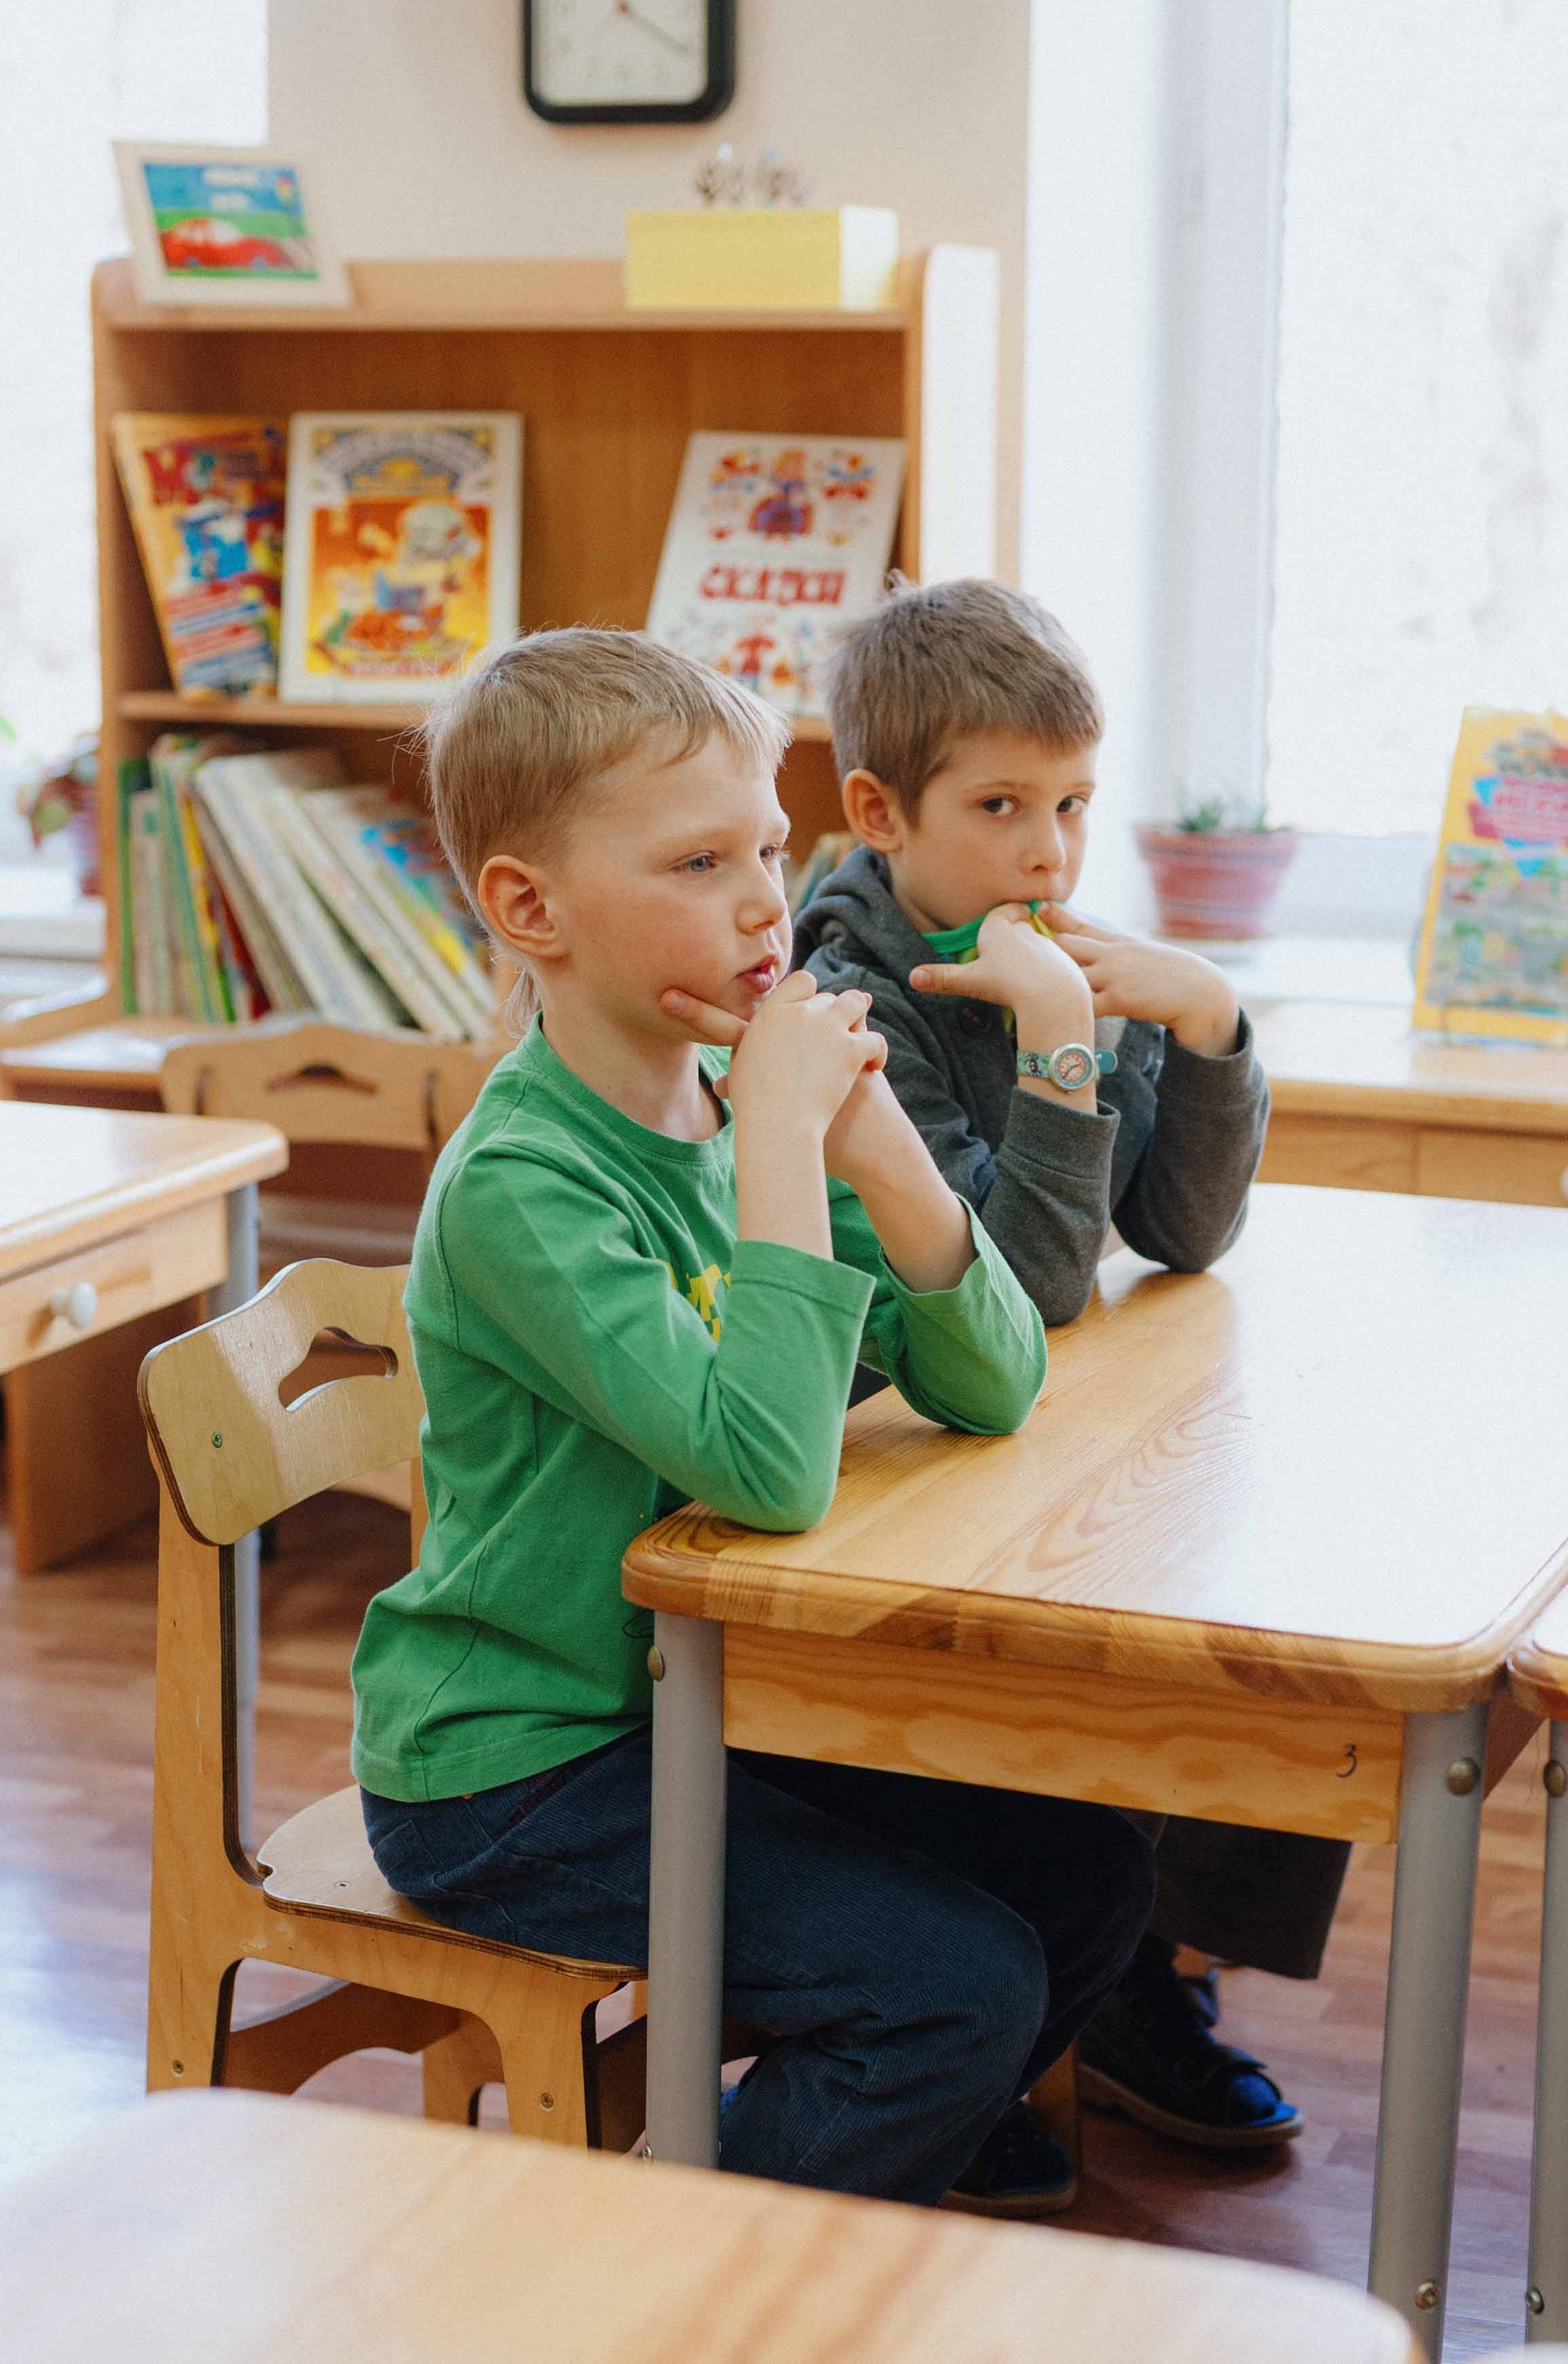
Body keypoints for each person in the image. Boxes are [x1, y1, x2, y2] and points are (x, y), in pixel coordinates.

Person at [350, 626, 1155, 2206]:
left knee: (1091, 1867)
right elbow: (771, 1472)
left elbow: (996, 1382)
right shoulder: (528, 1183)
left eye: (772, 847)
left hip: (696, 1702)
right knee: (952, 1988)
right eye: (700, 858)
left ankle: (875, 2163)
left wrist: (886, 1157)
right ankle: (686, 2266)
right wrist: (790, 1143)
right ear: (532, 910)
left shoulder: (726, 1097)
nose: (763, 900)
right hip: (515, 1767)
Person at [746, 578, 1347, 2201]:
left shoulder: (1052, 939)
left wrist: (1208, 1023)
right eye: (1001, 807)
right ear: (878, 810)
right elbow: (1034, 1282)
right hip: (896, 1463)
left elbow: (1186, 1229)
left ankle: (1139, 1966)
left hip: (1026, 1419)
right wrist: (1070, 1044)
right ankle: (1045, 2005)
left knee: (1288, 1592)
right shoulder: (847, 983)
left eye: (1074, 804)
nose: (1049, 853)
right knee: (1104, 1668)